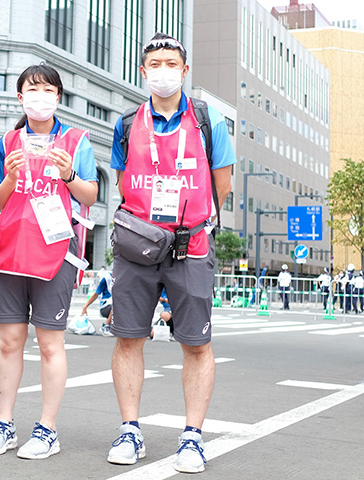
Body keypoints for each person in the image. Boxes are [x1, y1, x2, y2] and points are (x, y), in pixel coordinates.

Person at [107, 33, 235, 473]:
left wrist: (191, 218)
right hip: (136, 247)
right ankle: (129, 430)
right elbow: (123, 184)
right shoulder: (126, 123)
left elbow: (223, 185)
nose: (162, 70)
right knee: (128, 338)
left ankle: (192, 438)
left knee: (196, 344)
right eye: (154, 63)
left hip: (191, 246)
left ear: (184, 71)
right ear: (144, 72)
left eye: (171, 63)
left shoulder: (207, 120)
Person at [0, 63, 98, 460]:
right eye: (33, 89)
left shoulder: (76, 140)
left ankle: (47, 428)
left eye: (48, 90)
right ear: (20, 97)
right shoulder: (8, 140)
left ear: (58, 97)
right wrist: (11, 179)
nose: (40, 96)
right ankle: (4, 423)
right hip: (11, 252)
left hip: (56, 253)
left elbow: (90, 196)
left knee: (50, 344)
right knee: (9, 342)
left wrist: (67, 176)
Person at [80, 270, 113, 337]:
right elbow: (96, 294)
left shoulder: (123, 280)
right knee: (117, 305)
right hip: (106, 306)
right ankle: (105, 326)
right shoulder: (106, 279)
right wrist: (85, 306)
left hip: (113, 306)